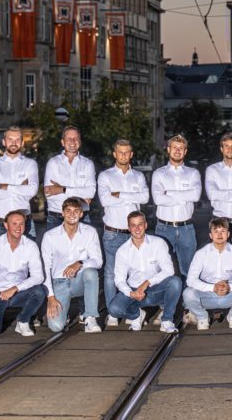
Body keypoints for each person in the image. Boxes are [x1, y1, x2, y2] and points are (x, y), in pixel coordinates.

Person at [97, 139, 150, 325]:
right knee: (112, 274)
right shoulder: (105, 176)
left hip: (134, 234)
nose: (124, 156)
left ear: (131, 154)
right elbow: (104, 200)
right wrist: (129, 198)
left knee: (136, 273)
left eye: (127, 152)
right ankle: (113, 312)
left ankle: (131, 310)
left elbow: (145, 197)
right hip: (113, 232)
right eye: (120, 152)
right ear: (114, 154)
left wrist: (119, 194)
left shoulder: (139, 177)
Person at [0, 211, 47, 337]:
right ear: (6, 225)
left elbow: (38, 276)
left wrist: (15, 288)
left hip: (18, 293)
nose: (18, 227)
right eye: (14, 223)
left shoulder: (30, 246)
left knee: (39, 291)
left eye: (21, 224)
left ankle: (23, 321)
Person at [106, 211, 182, 333]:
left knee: (175, 282)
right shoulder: (122, 251)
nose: (137, 228)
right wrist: (130, 293)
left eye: (140, 224)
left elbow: (169, 270)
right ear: (129, 227)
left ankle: (167, 320)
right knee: (114, 309)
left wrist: (147, 282)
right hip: (135, 290)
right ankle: (136, 315)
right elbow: (119, 279)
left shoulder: (158, 243)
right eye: (133, 225)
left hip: (156, 288)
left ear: (146, 225)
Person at [182, 218, 232, 330]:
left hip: (229, 294)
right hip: (207, 295)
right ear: (211, 235)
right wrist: (213, 288)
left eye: (223, 231)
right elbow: (191, 280)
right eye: (216, 231)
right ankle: (202, 317)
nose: (219, 235)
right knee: (188, 293)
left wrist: (230, 287)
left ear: (228, 234)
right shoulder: (201, 254)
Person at [42, 197, 103, 333]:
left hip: (79, 281)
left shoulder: (90, 232)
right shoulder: (50, 236)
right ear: (62, 213)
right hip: (59, 282)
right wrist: (50, 297)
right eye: (68, 211)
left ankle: (90, 317)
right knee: (56, 326)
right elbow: (45, 267)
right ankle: (65, 314)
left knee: (91, 273)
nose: (72, 214)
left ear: (81, 214)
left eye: (76, 211)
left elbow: (98, 261)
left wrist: (80, 263)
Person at [151, 135, 202, 276]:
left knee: (189, 271)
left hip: (186, 229)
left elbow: (195, 195)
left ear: (185, 151)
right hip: (163, 229)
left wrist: (169, 193)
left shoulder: (193, 173)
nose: (177, 151)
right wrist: (184, 196)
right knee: (161, 271)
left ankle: (187, 298)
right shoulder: (159, 173)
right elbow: (158, 199)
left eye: (181, 148)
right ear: (168, 150)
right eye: (174, 147)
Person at [0, 126, 39, 240]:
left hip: (25, 224)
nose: (13, 143)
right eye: (10, 139)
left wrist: (4, 187)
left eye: (17, 140)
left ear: (22, 142)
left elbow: (32, 190)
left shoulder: (30, 164)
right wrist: (21, 189)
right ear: (4, 142)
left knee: (28, 257)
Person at [43, 126, 96, 227]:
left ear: (80, 142)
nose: (72, 141)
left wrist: (62, 189)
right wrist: (81, 197)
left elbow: (91, 192)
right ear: (63, 142)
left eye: (76, 138)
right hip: (56, 218)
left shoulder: (88, 164)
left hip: (82, 217)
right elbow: (49, 193)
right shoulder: (53, 163)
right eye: (69, 138)